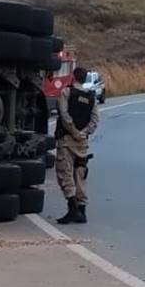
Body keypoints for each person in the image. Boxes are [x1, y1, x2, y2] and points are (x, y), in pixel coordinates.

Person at [54, 66, 100, 224]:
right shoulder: (91, 98)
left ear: (73, 77)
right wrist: (84, 133)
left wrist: (73, 131)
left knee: (65, 174)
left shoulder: (67, 93)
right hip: (82, 143)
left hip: (67, 140)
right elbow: (95, 120)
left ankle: (72, 209)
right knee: (80, 176)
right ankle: (82, 211)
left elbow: (64, 114)